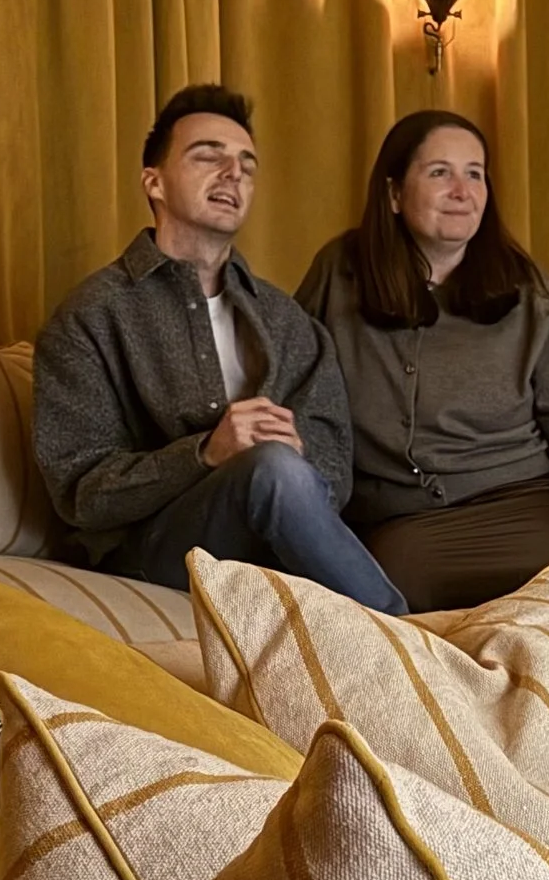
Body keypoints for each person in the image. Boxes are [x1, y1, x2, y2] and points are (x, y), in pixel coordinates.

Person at [31, 85, 407, 610]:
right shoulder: (91, 315)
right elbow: (82, 494)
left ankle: (386, 637)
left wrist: (300, 452)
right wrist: (206, 453)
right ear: (154, 182)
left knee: (279, 466)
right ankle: (403, 631)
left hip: (269, 538)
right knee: (272, 468)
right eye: (209, 156)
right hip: (149, 550)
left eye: (247, 166)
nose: (234, 174)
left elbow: (335, 473)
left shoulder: (286, 321)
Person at [297, 110, 549, 612]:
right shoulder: (340, 271)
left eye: (475, 174)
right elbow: (293, 378)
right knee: (394, 591)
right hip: (404, 521)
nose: (462, 191)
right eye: (440, 172)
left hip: (527, 502)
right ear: (394, 193)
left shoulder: (527, 288)